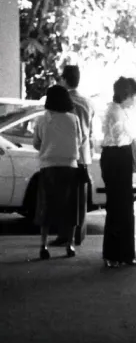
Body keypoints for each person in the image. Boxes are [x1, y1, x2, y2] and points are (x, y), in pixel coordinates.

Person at [33, 84, 82, 260]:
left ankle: (43, 245)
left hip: (48, 167)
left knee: (46, 207)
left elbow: (36, 143)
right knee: (70, 208)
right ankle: (70, 245)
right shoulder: (73, 119)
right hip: (70, 167)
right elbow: (80, 141)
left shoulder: (41, 119)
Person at [51, 64, 95, 247]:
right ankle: (79, 235)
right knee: (80, 198)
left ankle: (64, 235)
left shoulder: (63, 101)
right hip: (84, 155)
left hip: (67, 155)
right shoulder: (88, 102)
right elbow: (90, 131)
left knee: (65, 198)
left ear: (64, 79)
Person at [100, 76, 136, 268]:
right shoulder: (116, 112)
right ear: (127, 94)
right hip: (117, 156)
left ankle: (121, 254)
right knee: (119, 206)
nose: (134, 100)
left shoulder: (117, 110)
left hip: (115, 156)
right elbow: (120, 136)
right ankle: (116, 254)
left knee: (121, 206)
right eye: (133, 95)